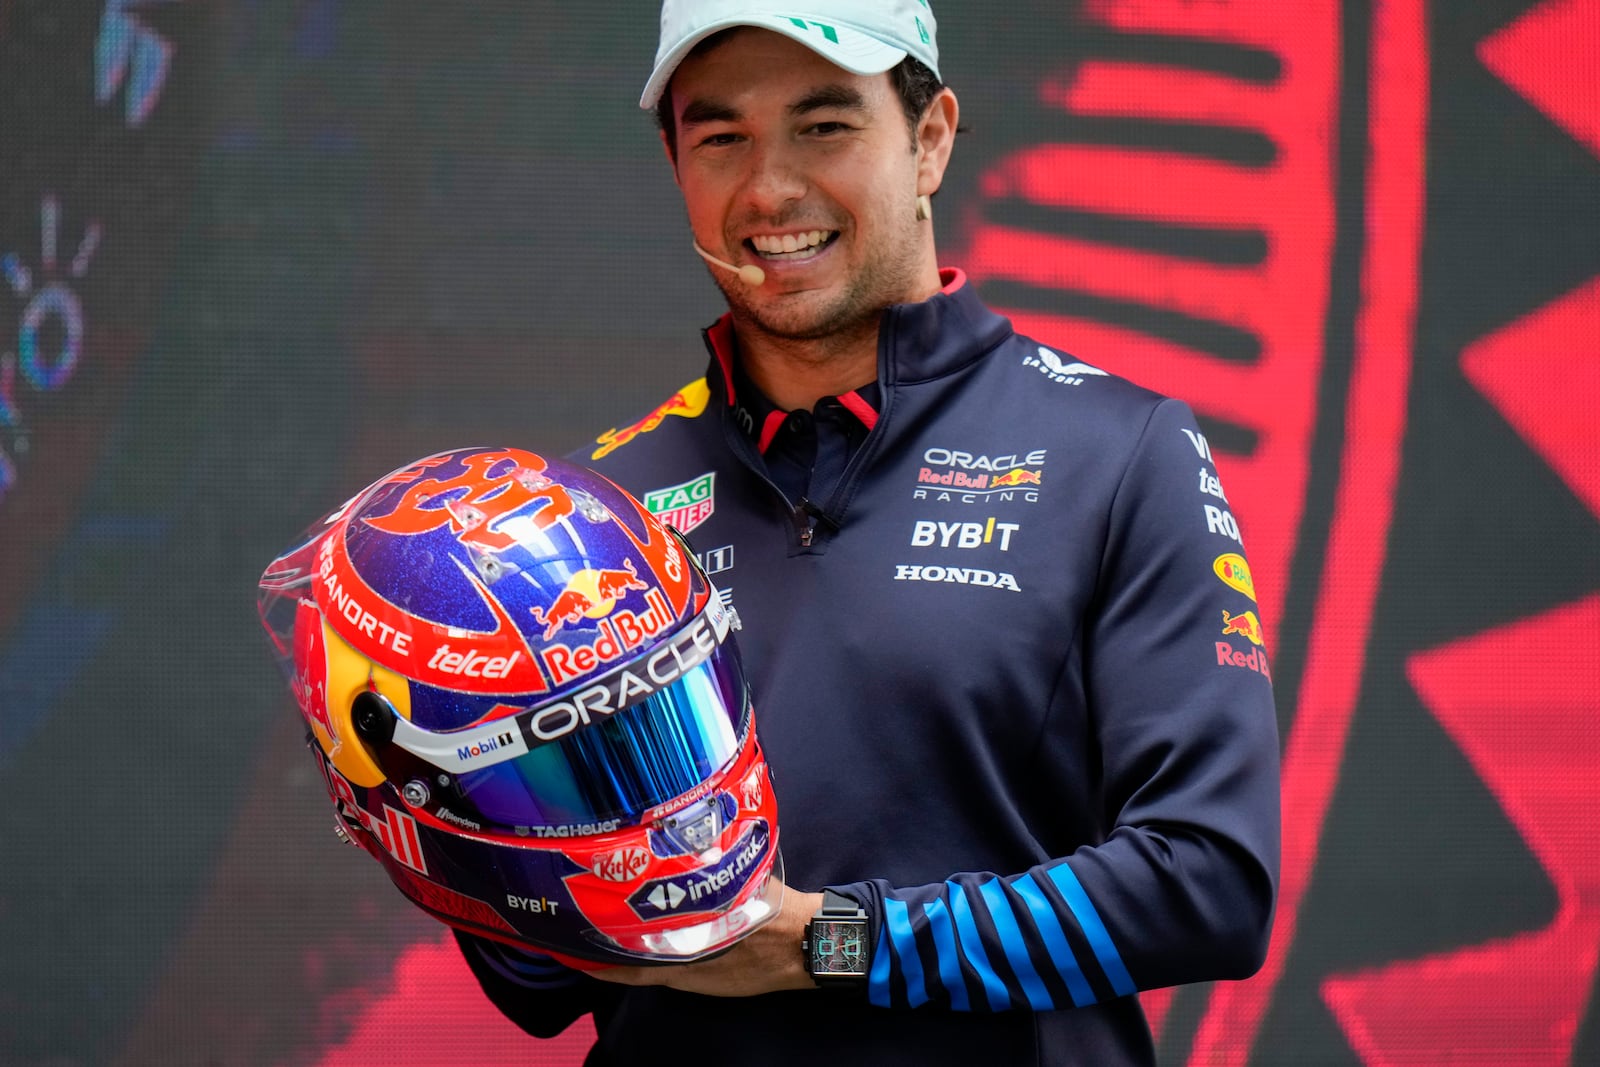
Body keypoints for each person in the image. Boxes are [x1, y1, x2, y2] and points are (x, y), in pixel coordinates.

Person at [456, 2, 1281, 1062]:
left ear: (929, 138)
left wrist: (835, 941)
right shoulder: (592, 515)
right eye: (720, 138)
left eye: (823, 125)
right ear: (675, 167)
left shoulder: (1119, 450)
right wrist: (450, 807)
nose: (769, 189)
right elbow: (543, 984)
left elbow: (1209, 882)